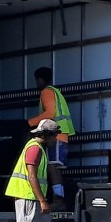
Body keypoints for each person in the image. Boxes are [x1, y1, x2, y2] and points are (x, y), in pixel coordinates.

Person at [5, 119, 80, 222]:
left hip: (35, 198)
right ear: (46, 135)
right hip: (28, 197)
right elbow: (32, 176)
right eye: (54, 136)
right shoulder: (34, 149)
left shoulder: (40, 148)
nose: (55, 140)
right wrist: (43, 201)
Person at [27, 67, 75, 211]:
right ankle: (58, 199)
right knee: (53, 168)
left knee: (53, 168)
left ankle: (58, 200)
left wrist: (30, 122)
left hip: (56, 135)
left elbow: (50, 112)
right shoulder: (55, 91)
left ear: (40, 79)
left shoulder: (46, 92)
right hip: (61, 134)